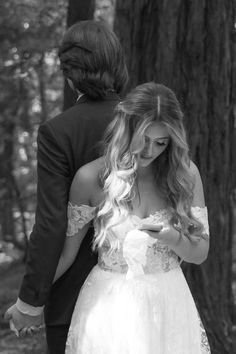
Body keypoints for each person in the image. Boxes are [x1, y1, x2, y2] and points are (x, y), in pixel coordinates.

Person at [55, 82, 211, 353]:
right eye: (144, 140)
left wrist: (171, 237)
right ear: (126, 129)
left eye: (161, 142)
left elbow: (200, 253)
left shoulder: (185, 176)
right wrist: (29, 301)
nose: (150, 151)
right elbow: (65, 255)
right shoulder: (91, 178)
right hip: (109, 305)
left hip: (170, 303)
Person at [4, 20, 128, 354]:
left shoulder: (58, 132)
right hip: (145, 293)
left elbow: (50, 224)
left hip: (75, 300)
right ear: (117, 65)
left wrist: (30, 301)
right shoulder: (148, 126)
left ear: (70, 75)